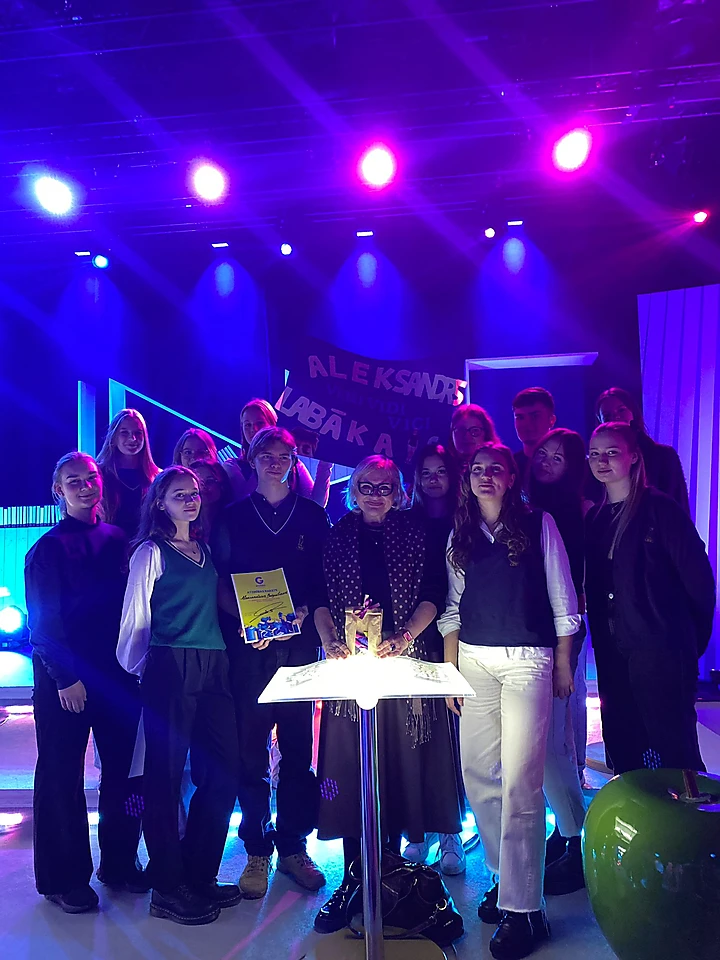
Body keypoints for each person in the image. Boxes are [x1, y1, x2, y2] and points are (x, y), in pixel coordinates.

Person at [439, 443, 580, 960]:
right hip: (473, 659)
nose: (484, 476)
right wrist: (451, 672)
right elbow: (453, 607)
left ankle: (526, 910)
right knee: (479, 775)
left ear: (511, 476)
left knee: (522, 782)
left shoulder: (539, 524)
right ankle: (506, 882)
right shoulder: (460, 531)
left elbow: (563, 598)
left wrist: (563, 663)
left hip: (528, 659)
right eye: (476, 469)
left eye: (494, 469)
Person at [313, 456, 463, 935]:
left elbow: (435, 593)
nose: (375, 494)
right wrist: (328, 638)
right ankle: (354, 879)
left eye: (385, 486)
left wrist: (405, 635)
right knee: (352, 774)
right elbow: (318, 597)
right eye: (366, 485)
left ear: (398, 492)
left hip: (404, 670)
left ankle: (392, 878)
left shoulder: (418, 533)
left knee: (397, 772)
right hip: (350, 675)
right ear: (353, 490)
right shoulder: (335, 535)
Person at [117, 465, 240, 925]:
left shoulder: (204, 551)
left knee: (224, 771)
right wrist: (146, 669)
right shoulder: (150, 552)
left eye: (194, 493)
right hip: (170, 663)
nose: (190, 499)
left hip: (215, 662)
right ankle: (168, 887)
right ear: (159, 503)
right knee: (164, 779)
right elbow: (134, 616)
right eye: (178, 494)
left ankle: (198, 872)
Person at [212, 426, 331, 900]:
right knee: (250, 751)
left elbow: (325, 582)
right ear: (252, 459)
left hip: (299, 647)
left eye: (285, 454)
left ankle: (293, 846)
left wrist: (302, 614)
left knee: (299, 749)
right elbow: (220, 580)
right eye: (267, 454)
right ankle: (257, 848)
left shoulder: (313, 516)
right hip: (249, 649)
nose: (276, 461)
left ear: (295, 460)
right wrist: (246, 624)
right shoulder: (232, 516)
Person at [25, 452, 145, 914]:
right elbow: (43, 623)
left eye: (89, 477)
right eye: (73, 481)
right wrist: (67, 677)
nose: (84, 486)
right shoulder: (47, 550)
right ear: (59, 491)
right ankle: (64, 878)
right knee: (61, 776)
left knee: (125, 775)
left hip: (117, 677)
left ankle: (120, 862)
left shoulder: (117, 540)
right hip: (65, 681)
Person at [585, 422, 715, 776]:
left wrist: (688, 641)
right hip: (613, 654)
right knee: (623, 743)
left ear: (633, 457)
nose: (602, 460)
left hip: (661, 649)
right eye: (594, 454)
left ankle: (689, 809)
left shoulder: (661, 509)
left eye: (612, 452)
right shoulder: (596, 518)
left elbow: (699, 580)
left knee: (674, 745)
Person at [528, 428, 590, 895]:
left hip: (562, 633)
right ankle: (565, 829)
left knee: (553, 745)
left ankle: (577, 840)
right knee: (544, 745)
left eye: (558, 457)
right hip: (530, 632)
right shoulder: (528, 508)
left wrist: (565, 654)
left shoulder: (582, 512)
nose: (547, 462)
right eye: (542, 455)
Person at [405, 443, 467, 876]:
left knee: (452, 740)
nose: (432, 479)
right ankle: (419, 831)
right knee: (417, 738)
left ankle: (451, 832)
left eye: (440, 471)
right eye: (425, 472)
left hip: (463, 634)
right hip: (413, 636)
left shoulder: (466, 519)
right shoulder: (404, 521)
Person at [595, 387, 690, 513]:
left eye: (621, 410)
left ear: (633, 412)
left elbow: (679, 504)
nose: (616, 417)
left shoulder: (664, 456)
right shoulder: (597, 463)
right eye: (607, 416)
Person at [222, 398, 331, 506]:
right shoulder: (233, 465)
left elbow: (316, 504)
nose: (253, 429)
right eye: (247, 425)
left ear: (272, 424)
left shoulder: (294, 464)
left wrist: (326, 463)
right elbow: (245, 501)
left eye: (260, 423)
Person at [97, 408, 159, 537]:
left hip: (147, 546)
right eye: (124, 433)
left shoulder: (157, 476)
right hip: (107, 545)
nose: (132, 438)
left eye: (138, 433)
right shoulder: (98, 475)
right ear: (113, 437)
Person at [512, 387, 557, 483]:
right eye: (520, 417)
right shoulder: (509, 466)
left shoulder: (570, 464)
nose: (527, 424)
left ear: (551, 420)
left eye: (535, 416)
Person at [448, 403, 499, 474]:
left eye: (475, 431)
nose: (467, 436)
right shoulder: (444, 468)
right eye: (461, 430)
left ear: (486, 433)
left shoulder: (498, 467)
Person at [190, 458, 232, 540]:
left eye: (210, 481)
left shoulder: (234, 521)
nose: (203, 487)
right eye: (198, 482)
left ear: (222, 485)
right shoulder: (184, 526)